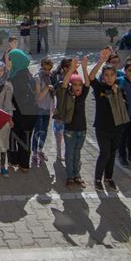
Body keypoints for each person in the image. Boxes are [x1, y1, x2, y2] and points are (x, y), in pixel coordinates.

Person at [90, 49, 125, 191]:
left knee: (112, 154)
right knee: (104, 153)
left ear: (116, 76)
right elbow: (91, 77)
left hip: (117, 128)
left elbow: (123, 108)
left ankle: (109, 178)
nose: (109, 78)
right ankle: (97, 179)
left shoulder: (119, 89)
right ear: (103, 77)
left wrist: (117, 94)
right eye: (106, 75)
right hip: (102, 128)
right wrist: (101, 61)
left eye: (112, 75)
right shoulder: (100, 88)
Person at [55, 57, 91, 187]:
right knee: (69, 154)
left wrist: (84, 69)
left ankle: (77, 175)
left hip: (82, 130)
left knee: (77, 154)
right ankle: (70, 176)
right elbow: (64, 84)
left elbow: (87, 83)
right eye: (74, 85)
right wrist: (71, 70)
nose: (77, 87)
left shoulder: (82, 96)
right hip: (69, 130)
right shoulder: (67, 95)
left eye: (79, 85)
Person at [6, 49, 38, 173]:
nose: (8, 62)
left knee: (15, 137)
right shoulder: (26, 73)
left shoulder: (17, 77)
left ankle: (15, 161)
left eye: (10, 59)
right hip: (29, 114)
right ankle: (24, 164)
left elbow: (17, 97)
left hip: (20, 114)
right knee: (25, 138)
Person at [31, 58, 55, 168]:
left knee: (44, 131)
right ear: (41, 66)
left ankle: (40, 150)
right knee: (37, 131)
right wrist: (47, 88)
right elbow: (38, 98)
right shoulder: (37, 77)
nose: (47, 71)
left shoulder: (50, 76)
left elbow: (52, 94)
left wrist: (53, 105)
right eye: (45, 68)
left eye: (49, 69)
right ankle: (34, 153)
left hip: (47, 108)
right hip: (39, 108)